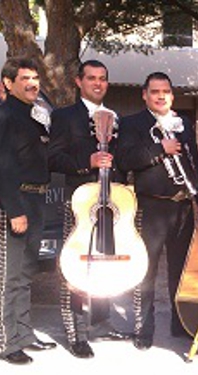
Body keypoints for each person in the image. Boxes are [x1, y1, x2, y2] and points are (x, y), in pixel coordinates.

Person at [117, 72, 198, 350]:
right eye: (155, 91)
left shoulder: (183, 123)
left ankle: (181, 325)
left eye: (166, 91)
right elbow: (126, 159)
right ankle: (144, 329)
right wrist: (160, 149)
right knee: (147, 270)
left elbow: (193, 159)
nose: (161, 96)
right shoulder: (132, 123)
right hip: (152, 207)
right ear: (145, 95)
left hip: (183, 206)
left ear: (172, 94)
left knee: (182, 270)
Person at [48, 60, 131, 359]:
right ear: (78, 81)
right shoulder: (64, 116)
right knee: (75, 265)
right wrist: (88, 161)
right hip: (79, 203)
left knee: (106, 259)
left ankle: (102, 322)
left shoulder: (115, 117)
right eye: (92, 78)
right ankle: (76, 333)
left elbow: (120, 159)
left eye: (103, 79)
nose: (98, 83)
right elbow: (53, 158)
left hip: (110, 203)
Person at [0, 57, 57, 365]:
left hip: (36, 202)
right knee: (9, 276)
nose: (32, 83)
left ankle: (24, 333)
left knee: (27, 274)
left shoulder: (36, 117)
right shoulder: (0, 117)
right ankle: (6, 341)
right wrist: (14, 210)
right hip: (12, 203)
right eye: (25, 78)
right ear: (8, 83)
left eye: (35, 78)